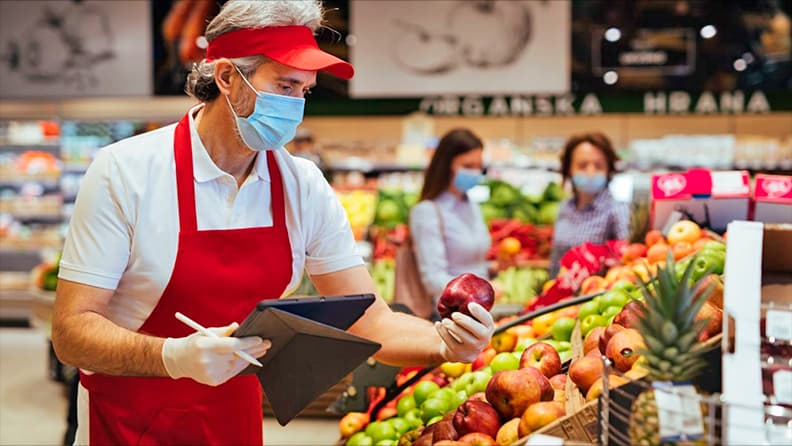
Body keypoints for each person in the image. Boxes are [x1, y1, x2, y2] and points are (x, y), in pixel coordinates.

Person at [50, 2, 494, 444]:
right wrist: (174, 356)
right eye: (284, 85)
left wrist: (444, 343)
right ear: (226, 77)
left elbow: (370, 319)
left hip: (235, 423)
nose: (296, 106)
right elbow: (71, 333)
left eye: (304, 91)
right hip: (127, 424)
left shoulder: (302, 187)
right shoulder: (126, 172)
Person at [409, 129, 493, 320]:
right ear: (446, 165)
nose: (474, 172)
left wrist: (495, 267)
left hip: (480, 311)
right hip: (452, 318)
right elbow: (433, 279)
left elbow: (473, 263)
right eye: (467, 165)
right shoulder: (428, 211)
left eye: (478, 166)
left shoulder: (472, 206)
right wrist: (476, 294)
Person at [549, 132, 630, 276]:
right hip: (561, 295)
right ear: (569, 169)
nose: (591, 172)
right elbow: (556, 260)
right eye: (582, 165)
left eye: (598, 166)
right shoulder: (564, 208)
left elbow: (627, 261)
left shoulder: (618, 211)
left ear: (608, 170)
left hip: (597, 295)